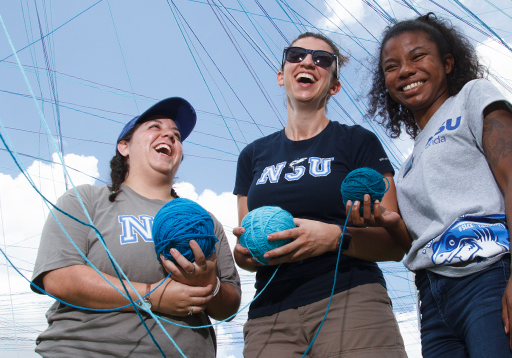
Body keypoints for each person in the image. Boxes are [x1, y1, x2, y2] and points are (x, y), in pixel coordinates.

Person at [361, 13, 512, 358]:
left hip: (489, 279)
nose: (405, 70)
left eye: (418, 56)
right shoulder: (409, 164)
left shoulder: (472, 97)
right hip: (434, 302)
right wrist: (389, 222)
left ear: (448, 63)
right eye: (392, 66)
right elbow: (420, 242)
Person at [233, 32, 409, 358]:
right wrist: (244, 254)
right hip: (270, 317)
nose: (308, 62)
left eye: (322, 59)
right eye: (296, 55)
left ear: (334, 86)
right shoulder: (251, 156)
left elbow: (396, 244)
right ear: (281, 75)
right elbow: (247, 246)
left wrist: (334, 237)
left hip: (351, 301)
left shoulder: (359, 142)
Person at [31, 97, 241, 357]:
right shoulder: (85, 200)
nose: (169, 135)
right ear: (124, 146)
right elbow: (58, 278)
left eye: (176, 135)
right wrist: (152, 296)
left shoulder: (203, 221)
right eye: (154, 127)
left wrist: (210, 285)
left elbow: (229, 307)